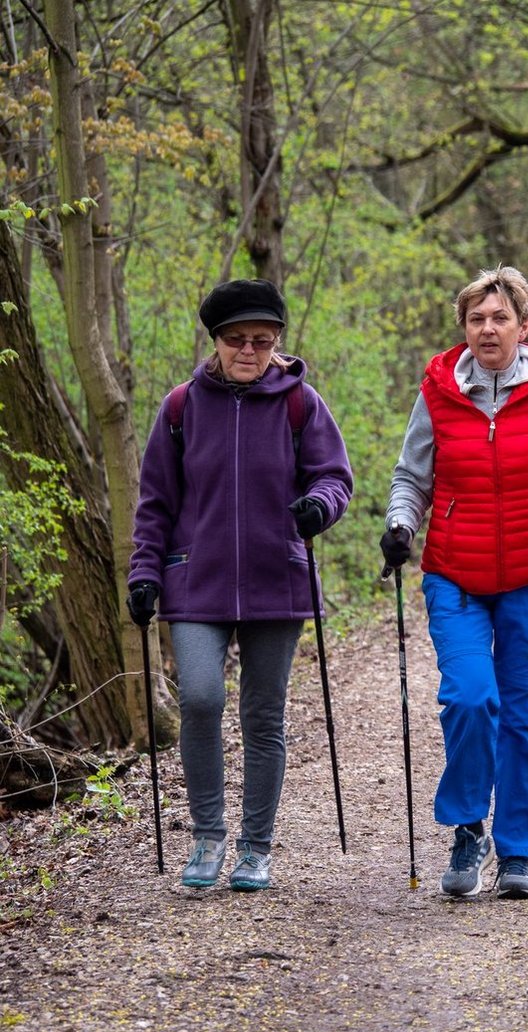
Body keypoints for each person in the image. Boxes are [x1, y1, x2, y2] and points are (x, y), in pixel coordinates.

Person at [379, 266, 528, 900]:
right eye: (477, 319)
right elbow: (410, 476)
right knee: (472, 698)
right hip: (456, 574)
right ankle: (467, 827)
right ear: (464, 329)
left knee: (523, 715)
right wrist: (400, 525)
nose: (487, 328)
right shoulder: (439, 389)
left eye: (500, 317)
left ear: (523, 327)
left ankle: (517, 851)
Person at [127, 279, 353, 892]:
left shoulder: (300, 403)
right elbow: (154, 502)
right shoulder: (181, 408)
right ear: (216, 341)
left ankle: (255, 846)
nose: (249, 350)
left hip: (275, 578)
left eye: (262, 340)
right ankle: (207, 835)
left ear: (277, 341)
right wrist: (145, 573)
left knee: (262, 713)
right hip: (194, 579)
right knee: (200, 697)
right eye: (236, 340)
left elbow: (335, 477)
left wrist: (318, 507)